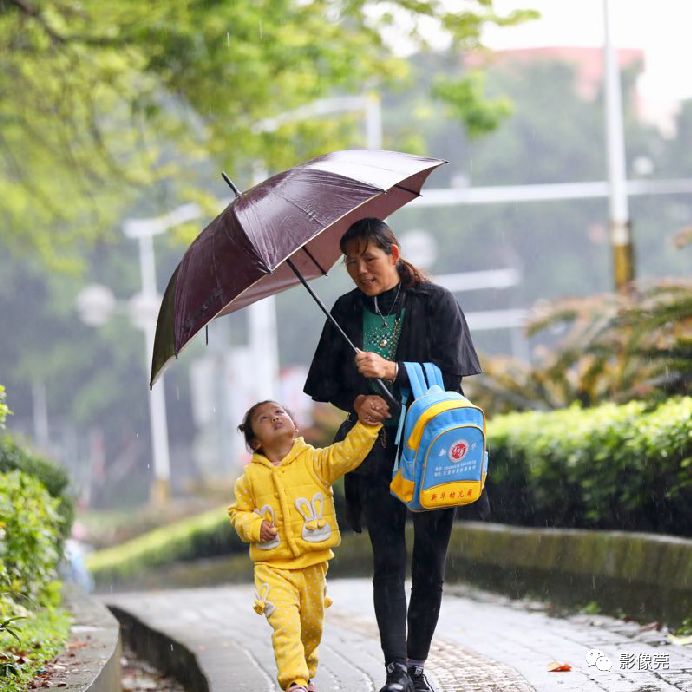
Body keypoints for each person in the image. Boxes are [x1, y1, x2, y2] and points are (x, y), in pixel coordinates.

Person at [304, 217, 487, 692]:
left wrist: (395, 369)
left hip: (431, 454)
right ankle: (395, 670)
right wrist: (356, 399)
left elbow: (454, 373)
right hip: (375, 453)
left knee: (430, 562)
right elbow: (325, 382)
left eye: (369, 258)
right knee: (388, 561)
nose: (361, 269)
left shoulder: (436, 302)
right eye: (350, 261)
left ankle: (418, 664)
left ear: (394, 253)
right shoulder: (345, 312)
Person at [228, 399, 382, 692]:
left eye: (279, 412)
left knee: (310, 629)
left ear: (294, 425)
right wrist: (255, 527)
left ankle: (306, 673)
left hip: (313, 566)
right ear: (256, 442)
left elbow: (347, 454)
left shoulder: (315, 462)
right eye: (264, 418)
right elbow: (238, 514)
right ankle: (294, 682)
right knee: (285, 625)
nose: (274, 418)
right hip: (273, 567)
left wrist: (368, 426)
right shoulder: (250, 478)